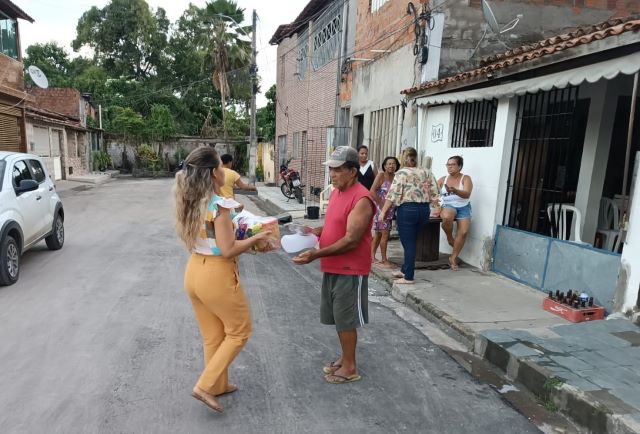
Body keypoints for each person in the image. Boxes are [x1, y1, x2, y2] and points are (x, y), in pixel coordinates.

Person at [173, 147, 273, 413]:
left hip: (194, 271)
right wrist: (256, 238)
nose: (224, 171)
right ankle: (205, 386)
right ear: (214, 173)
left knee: (213, 336)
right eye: (220, 167)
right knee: (240, 332)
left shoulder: (189, 201)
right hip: (216, 274)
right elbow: (228, 249)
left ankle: (217, 385)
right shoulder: (220, 207)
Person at [292, 146, 375, 384]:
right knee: (338, 317)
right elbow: (334, 226)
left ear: (352, 171)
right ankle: (344, 357)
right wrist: (315, 232)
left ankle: (350, 367)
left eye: (337, 169)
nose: (332, 174)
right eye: (331, 169)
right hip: (333, 265)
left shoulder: (362, 198)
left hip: (351, 268)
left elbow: (351, 240)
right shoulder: (338, 192)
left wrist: (315, 254)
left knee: (346, 318)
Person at [378, 147, 440, 284]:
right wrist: (437, 208)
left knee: (409, 243)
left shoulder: (401, 173)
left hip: (407, 210)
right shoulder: (427, 172)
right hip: (424, 210)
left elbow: (393, 195)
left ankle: (409, 276)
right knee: (411, 241)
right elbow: (436, 193)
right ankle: (405, 269)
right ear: (416, 157)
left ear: (403, 158)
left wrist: (383, 212)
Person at [438, 156, 473, 271]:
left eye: (452, 164)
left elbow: (467, 194)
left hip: (464, 206)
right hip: (448, 205)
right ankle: (449, 237)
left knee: (463, 232)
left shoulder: (466, 178)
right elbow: (432, 191)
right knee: (447, 216)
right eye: (448, 165)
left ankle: (453, 258)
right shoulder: (443, 179)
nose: (449, 167)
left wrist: (456, 191)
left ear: (459, 166)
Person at [369, 156, 400, 267]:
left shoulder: (397, 177)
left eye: (394, 164)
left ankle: (372, 256)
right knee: (385, 233)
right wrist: (382, 205)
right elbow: (372, 191)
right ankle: (384, 259)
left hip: (390, 209)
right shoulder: (381, 175)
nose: (391, 166)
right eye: (389, 164)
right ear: (385, 165)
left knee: (378, 233)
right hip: (381, 208)